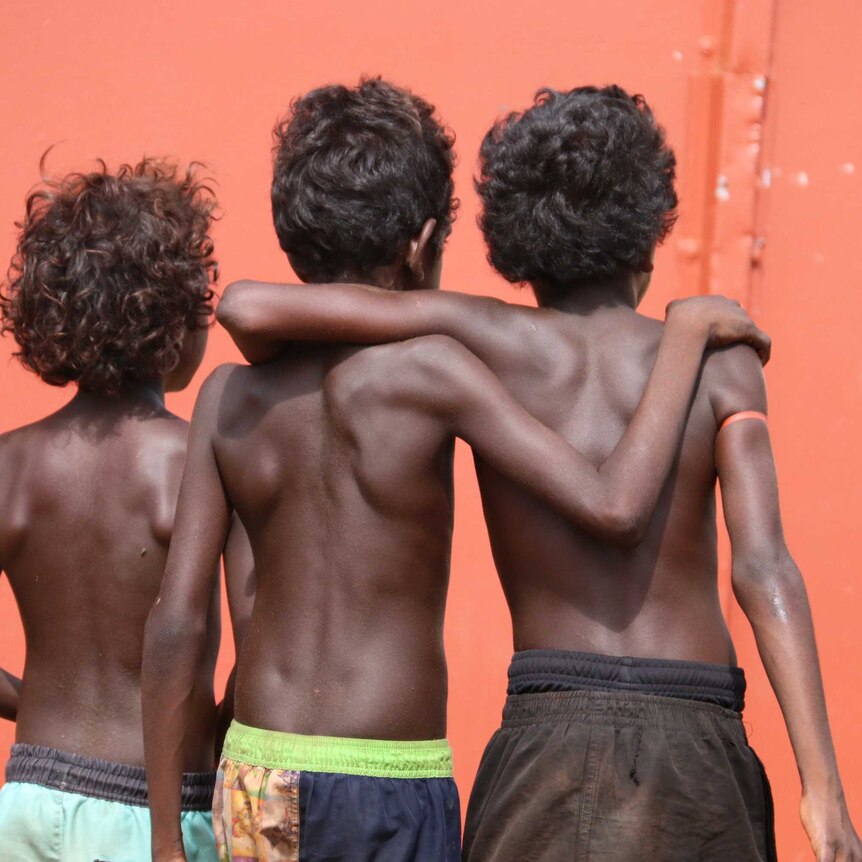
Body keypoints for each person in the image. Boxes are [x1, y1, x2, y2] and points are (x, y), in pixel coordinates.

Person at [216, 85, 861, 861]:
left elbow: (249, 308)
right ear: (652, 230)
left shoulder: (484, 334)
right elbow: (766, 570)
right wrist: (822, 785)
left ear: (513, 238)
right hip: (697, 738)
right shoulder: (722, 364)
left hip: (543, 738)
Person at [0, 158, 235, 862]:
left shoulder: (9, 464)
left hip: (29, 799)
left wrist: (34, 697)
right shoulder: (199, 459)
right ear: (174, 316)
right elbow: (264, 637)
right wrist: (214, 728)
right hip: (158, 806)